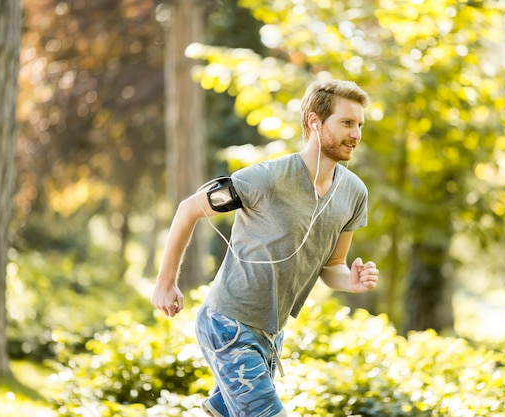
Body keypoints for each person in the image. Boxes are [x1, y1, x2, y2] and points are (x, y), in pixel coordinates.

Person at [151, 79, 380, 417]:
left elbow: (333, 266)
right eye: (346, 123)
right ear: (315, 123)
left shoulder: (354, 194)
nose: (356, 134)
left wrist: (352, 281)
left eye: (360, 124)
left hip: (271, 336)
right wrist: (165, 283)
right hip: (229, 325)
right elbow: (189, 209)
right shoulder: (267, 178)